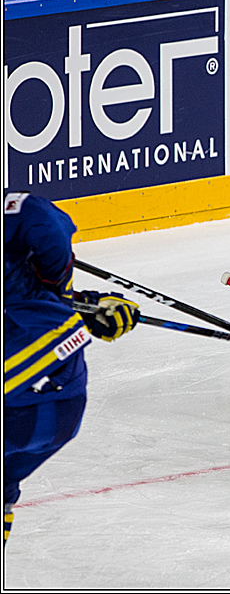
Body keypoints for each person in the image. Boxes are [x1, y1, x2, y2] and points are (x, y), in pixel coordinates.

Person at [4, 192, 140, 547]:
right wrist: (76, 304)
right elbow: (38, 218)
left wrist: (67, 299)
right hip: (64, 396)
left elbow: (35, 215)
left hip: (23, 383)